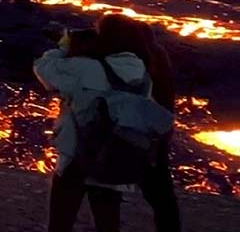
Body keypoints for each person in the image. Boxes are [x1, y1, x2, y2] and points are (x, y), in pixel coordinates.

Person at [33, 14, 150, 232]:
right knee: (107, 223)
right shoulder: (141, 70)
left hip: (78, 153)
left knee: (60, 222)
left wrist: (64, 47)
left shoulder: (87, 68)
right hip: (117, 154)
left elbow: (44, 69)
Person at [133, 22, 181, 232]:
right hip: (158, 128)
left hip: (144, 133)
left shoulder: (143, 62)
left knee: (156, 186)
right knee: (161, 189)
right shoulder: (158, 55)